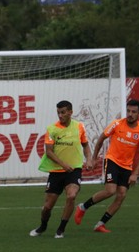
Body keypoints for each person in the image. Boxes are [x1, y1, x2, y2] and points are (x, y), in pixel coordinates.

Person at [74, 99, 139, 233]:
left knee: (121, 195)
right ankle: (83, 207)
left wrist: (135, 174)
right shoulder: (116, 124)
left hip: (127, 167)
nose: (130, 114)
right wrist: (93, 158)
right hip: (112, 160)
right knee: (110, 190)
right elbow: (101, 139)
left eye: (133, 112)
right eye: (128, 111)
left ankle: (100, 224)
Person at [30, 100, 92, 239]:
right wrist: (63, 164)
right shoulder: (52, 129)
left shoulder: (79, 127)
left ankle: (61, 229)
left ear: (70, 112)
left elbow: (86, 145)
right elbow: (49, 152)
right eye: (58, 112)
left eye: (63, 112)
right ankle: (43, 226)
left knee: (71, 196)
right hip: (57, 171)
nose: (60, 115)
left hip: (74, 170)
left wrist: (89, 159)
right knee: (47, 207)